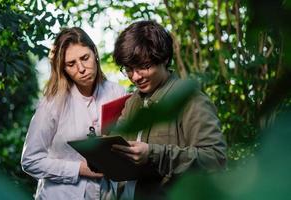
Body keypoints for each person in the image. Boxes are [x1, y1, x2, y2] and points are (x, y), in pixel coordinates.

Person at [112, 20, 227, 199]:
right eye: (128, 69)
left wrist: (153, 154)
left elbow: (215, 158)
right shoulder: (132, 102)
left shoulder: (190, 100)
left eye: (144, 67)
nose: (135, 77)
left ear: (164, 58)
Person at [21, 27, 126, 199]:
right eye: (71, 64)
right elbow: (30, 161)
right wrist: (78, 169)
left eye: (85, 58)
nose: (82, 68)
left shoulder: (117, 92)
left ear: (95, 53)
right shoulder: (52, 103)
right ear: (63, 69)